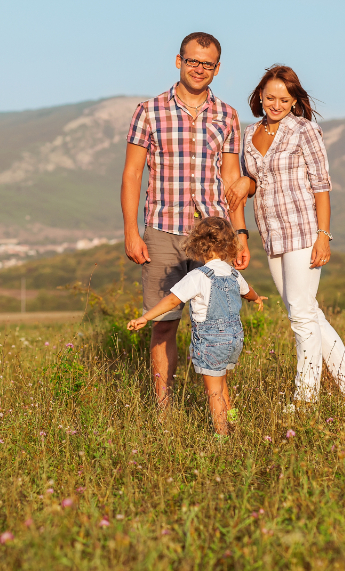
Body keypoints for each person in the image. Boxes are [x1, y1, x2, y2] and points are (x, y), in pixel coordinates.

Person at [226, 65, 345, 409]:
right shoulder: (249, 133)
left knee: (300, 316)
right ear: (260, 96)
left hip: (303, 229)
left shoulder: (305, 130)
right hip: (271, 231)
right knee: (308, 312)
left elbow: (322, 185)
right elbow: (253, 177)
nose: (276, 104)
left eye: (284, 99)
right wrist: (246, 183)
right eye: (270, 97)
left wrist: (324, 235)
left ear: (294, 101)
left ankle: (306, 399)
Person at [121, 32, 250, 410]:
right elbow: (132, 175)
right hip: (163, 229)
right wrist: (131, 231)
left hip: (213, 236)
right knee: (164, 323)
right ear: (178, 61)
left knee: (217, 323)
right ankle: (164, 410)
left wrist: (240, 234)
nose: (199, 68)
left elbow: (231, 182)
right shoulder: (150, 110)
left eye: (207, 63)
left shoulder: (227, 115)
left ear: (217, 69)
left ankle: (218, 408)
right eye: (192, 60)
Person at [127, 217, 266, 435]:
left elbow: (172, 300)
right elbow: (247, 291)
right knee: (223, 385)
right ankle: (234, 422)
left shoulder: (197, 276)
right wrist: (256, 299)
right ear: (230, 245)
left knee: (213, 393)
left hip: (211, 342)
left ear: (197, 245)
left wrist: (146, 317)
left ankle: (223, 437)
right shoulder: (232, 273)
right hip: (234, 340)